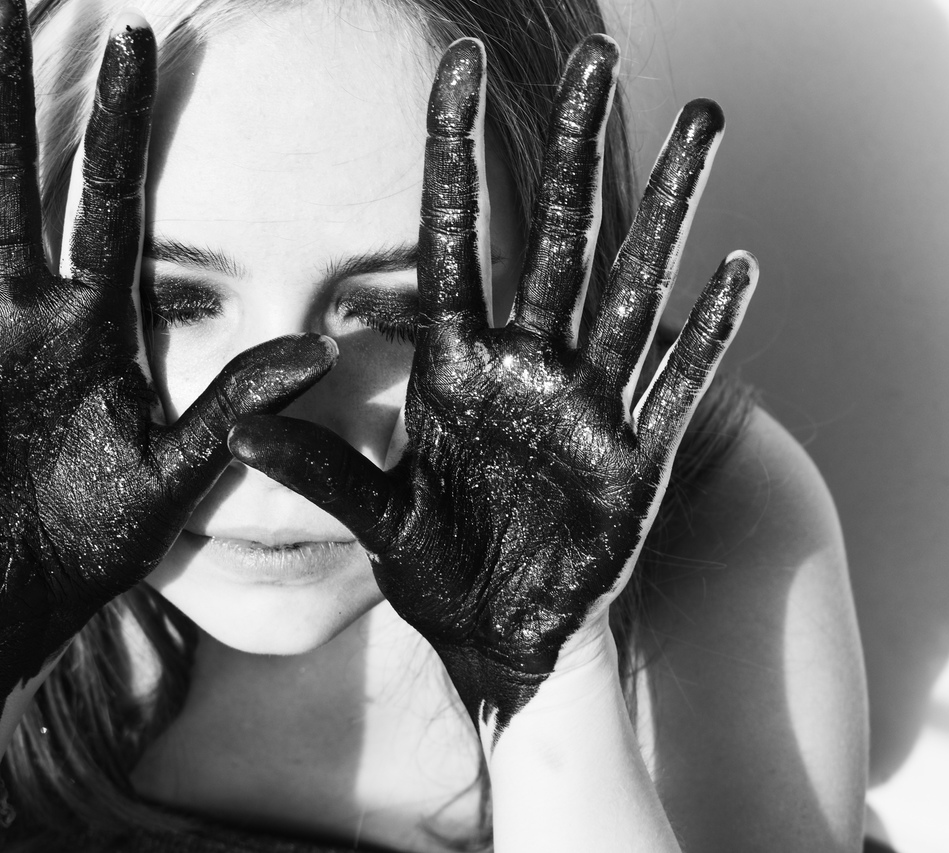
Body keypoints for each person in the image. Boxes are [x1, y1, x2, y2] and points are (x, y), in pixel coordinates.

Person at [0, 0, 867, 850]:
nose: (278, 442)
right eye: (169, 302)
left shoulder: (707, 509)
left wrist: (553, 685)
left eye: (407, 314)